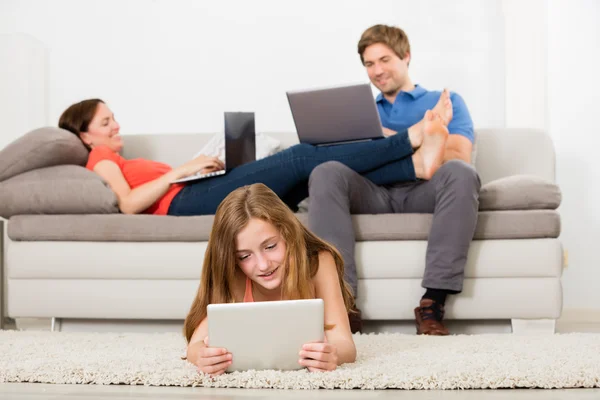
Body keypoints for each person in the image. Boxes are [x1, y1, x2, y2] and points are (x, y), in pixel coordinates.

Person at [307, 24, 481, 336]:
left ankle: (433, 303)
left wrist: (392, 141)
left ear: (406, 56)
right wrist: (410, 139)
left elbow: (457, 156)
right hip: (372, 192)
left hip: (423, 192)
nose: (377, 70)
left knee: (462, 174)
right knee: (325, 172)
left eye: (385, 59)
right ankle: (342, 304)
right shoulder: (359, 113)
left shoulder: (442, 101)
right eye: (369, 64)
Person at [58, 98, 451, 216]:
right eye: (106, 123)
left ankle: (414, 166)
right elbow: (128, 205)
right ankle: (411, 140)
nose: (116, 127)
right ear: (85, 135)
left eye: (113, 119)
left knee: (304, 178)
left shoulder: (114, 156)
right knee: (302, 156)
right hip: (184, 200)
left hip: (196, 190)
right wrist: (185, 169)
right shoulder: (100, 161)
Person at [182, 183, 358, 375]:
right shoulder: (235, 274)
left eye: (270, 246)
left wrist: (333, 355)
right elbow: (195, 345)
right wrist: (203, 356)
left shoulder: (318, 262)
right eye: (244, 256)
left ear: (288, 234)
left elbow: (345, 344)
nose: (263, 265)